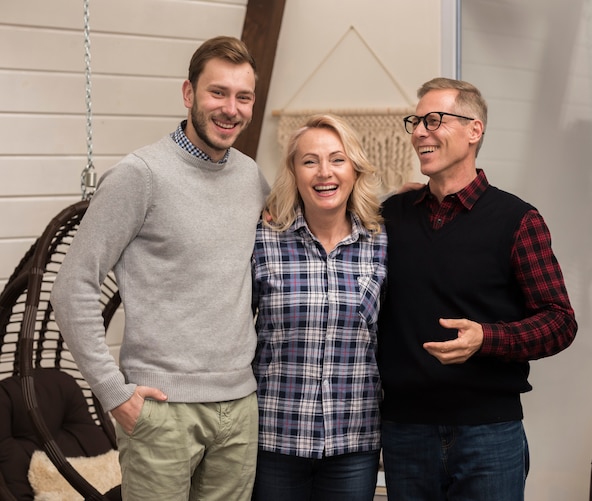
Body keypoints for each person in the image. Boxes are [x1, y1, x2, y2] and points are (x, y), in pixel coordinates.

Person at [51, 36, 270, 501]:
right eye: (218, 93)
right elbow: (72, 288)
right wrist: (114, 392)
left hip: (239, 406)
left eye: (243, 96)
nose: (231, 108)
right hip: (161, 409)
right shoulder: (140, 175)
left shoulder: (251, 177)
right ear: (189, 94)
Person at [377, 77, 577, 501]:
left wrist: (488, 338)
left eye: (434, 120)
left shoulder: (518, 220)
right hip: (404, 431)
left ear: (474, 130)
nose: (419, 132)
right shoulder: (390, 216)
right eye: (415, 121)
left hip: (489, 433)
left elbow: (560, 322)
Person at [251, 114, 387, 500]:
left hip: (354, 440)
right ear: (294, 172)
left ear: (354, 169)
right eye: (309, 161)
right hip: (275, 436)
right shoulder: (263, 240)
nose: (324, 172)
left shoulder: (381, 243)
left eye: (337, 159)